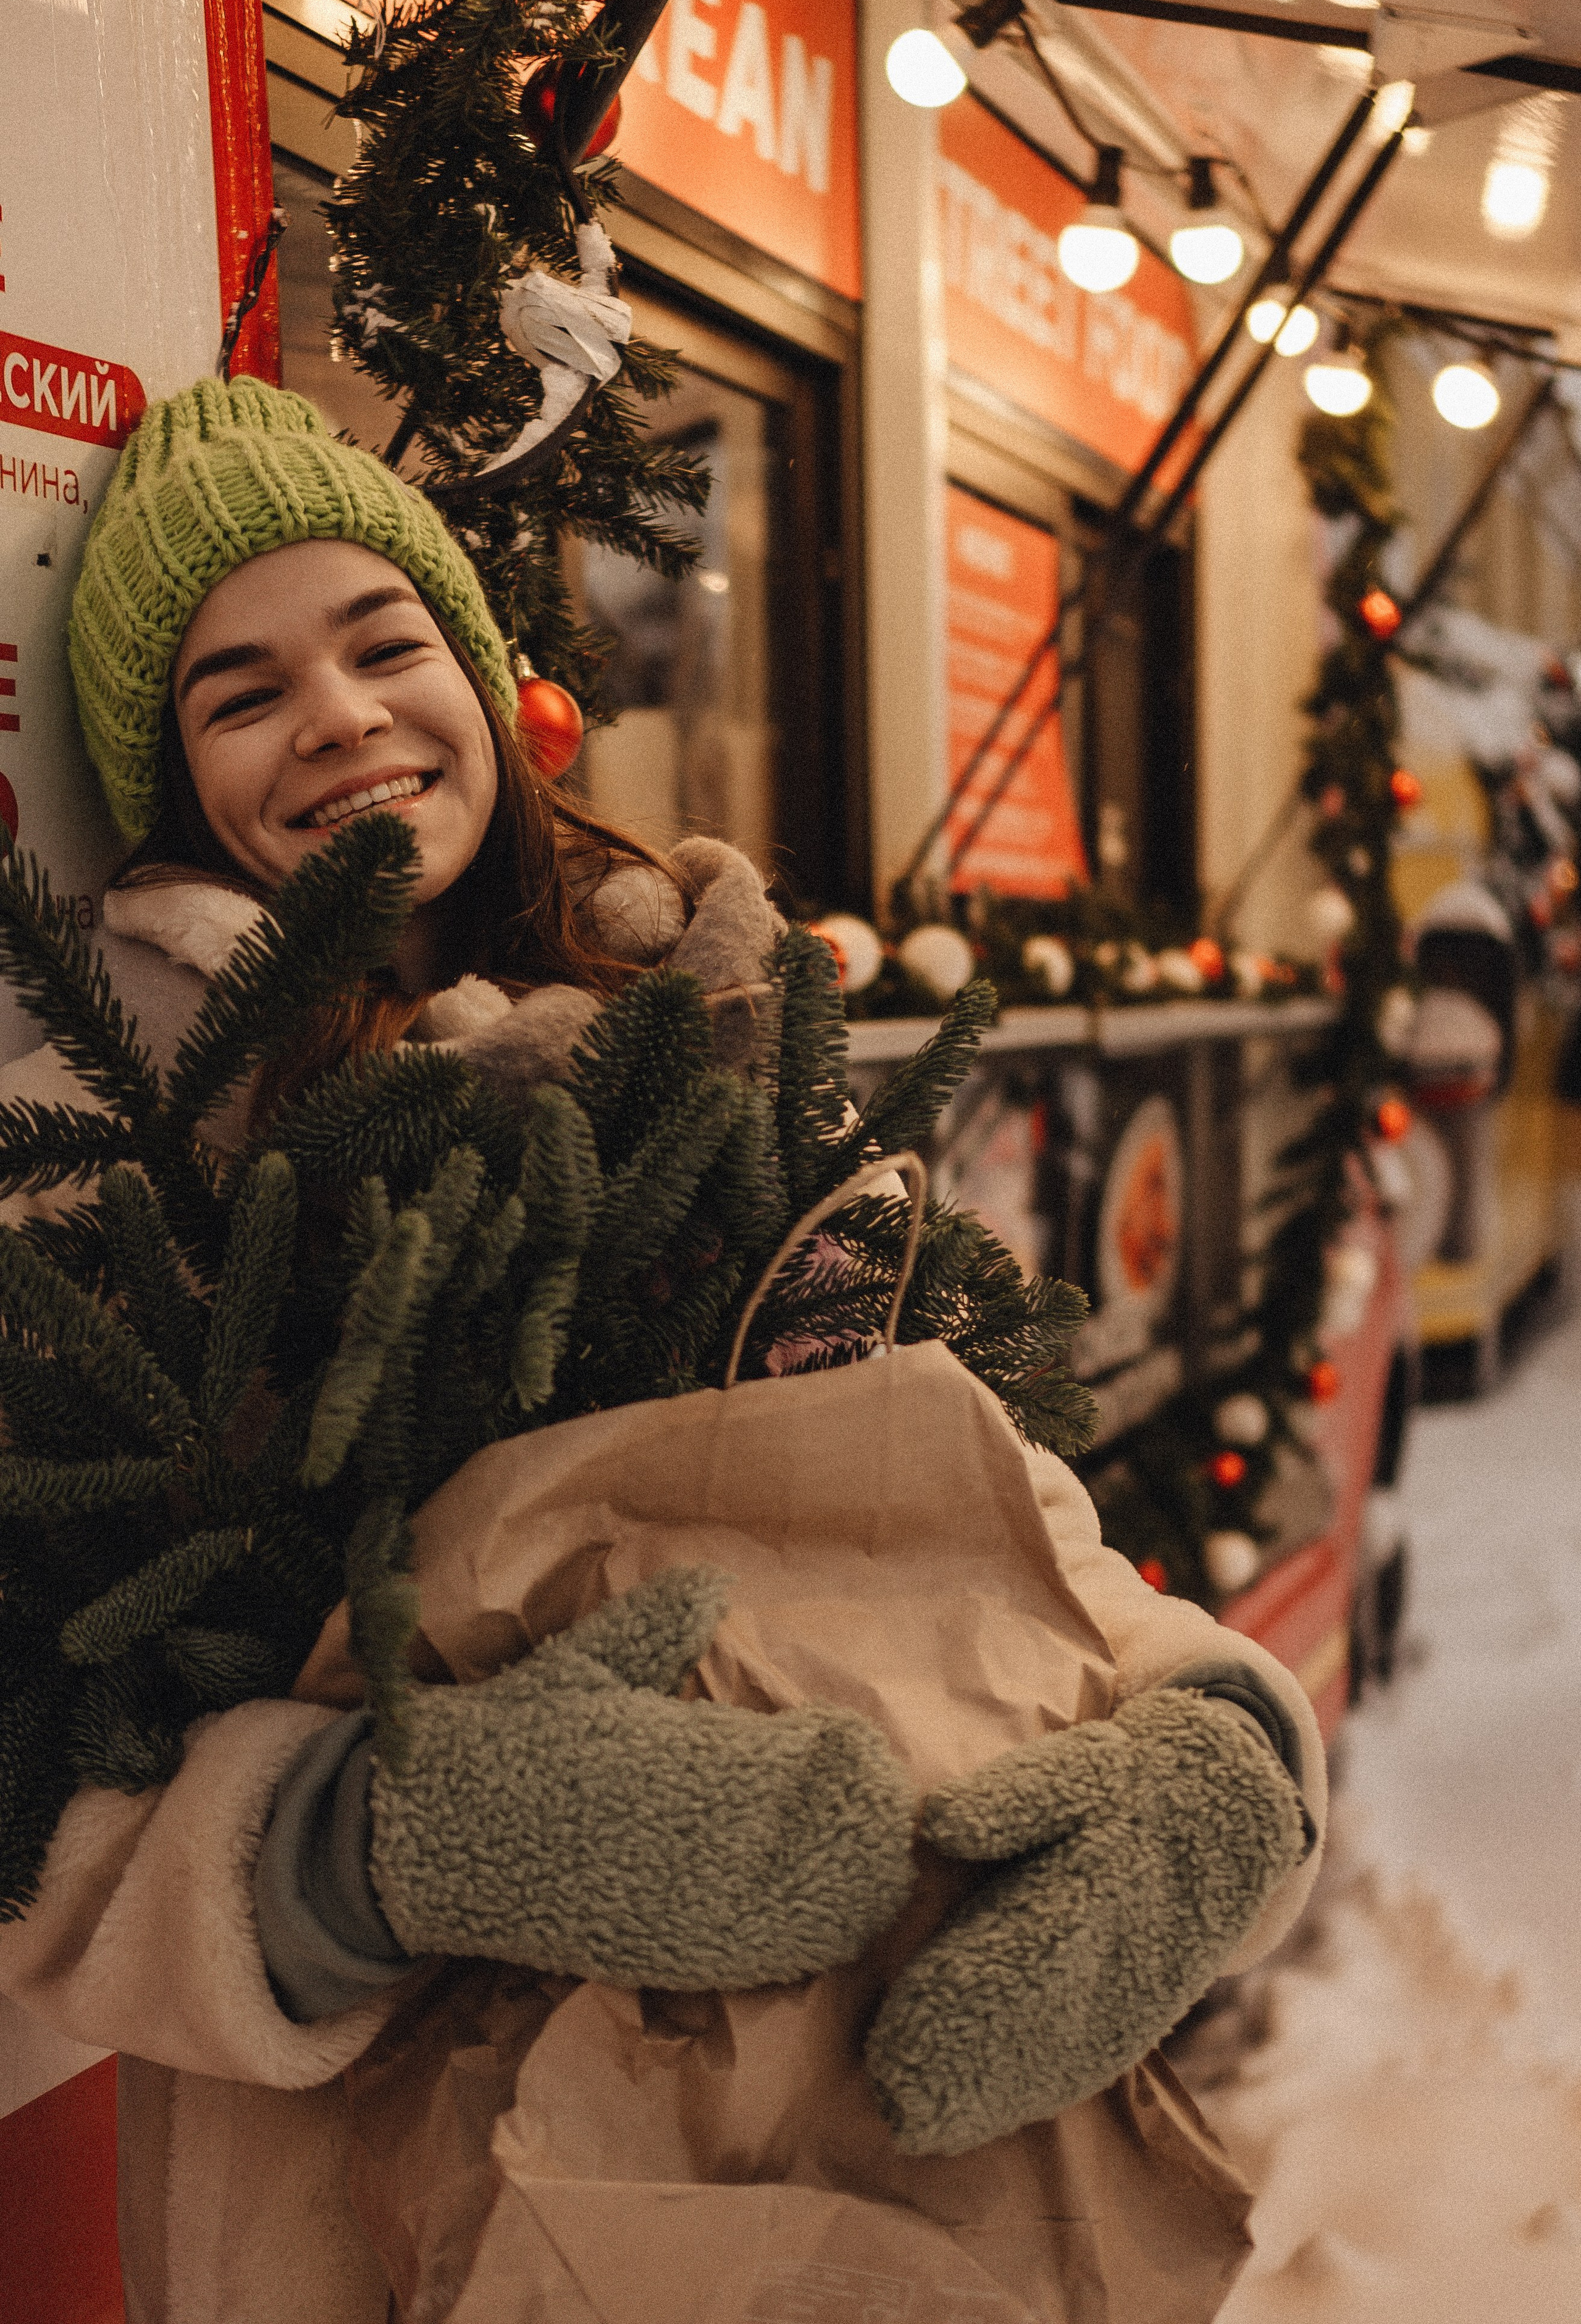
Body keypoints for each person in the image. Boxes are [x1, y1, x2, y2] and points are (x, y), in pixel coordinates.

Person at [0, 380, 1327, 2324]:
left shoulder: (710, 1036)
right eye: (244, 690)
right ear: (173, 781)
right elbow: (34, 1758)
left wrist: (1224, 1745)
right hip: (372, 2215)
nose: (345, 717)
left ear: (486, 679)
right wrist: (388, 1845)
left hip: (851, 2158)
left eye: (387, 643)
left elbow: (960, 1494)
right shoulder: (115, 1163)